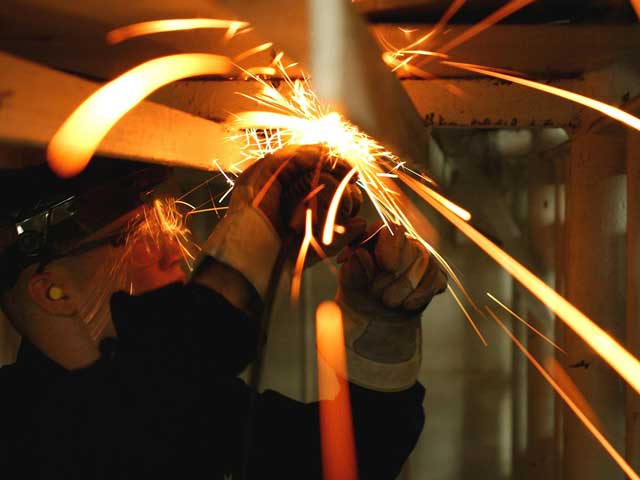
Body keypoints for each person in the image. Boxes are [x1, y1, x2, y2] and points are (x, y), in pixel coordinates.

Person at [0, 146, 447, 479]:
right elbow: (141, 411)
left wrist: (380, 328)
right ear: (54, 293)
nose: (174, 251)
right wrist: (255, 241)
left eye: (168, 228)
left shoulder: (197, 406)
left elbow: (348, 461)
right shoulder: (20, 429)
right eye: (140, 236)